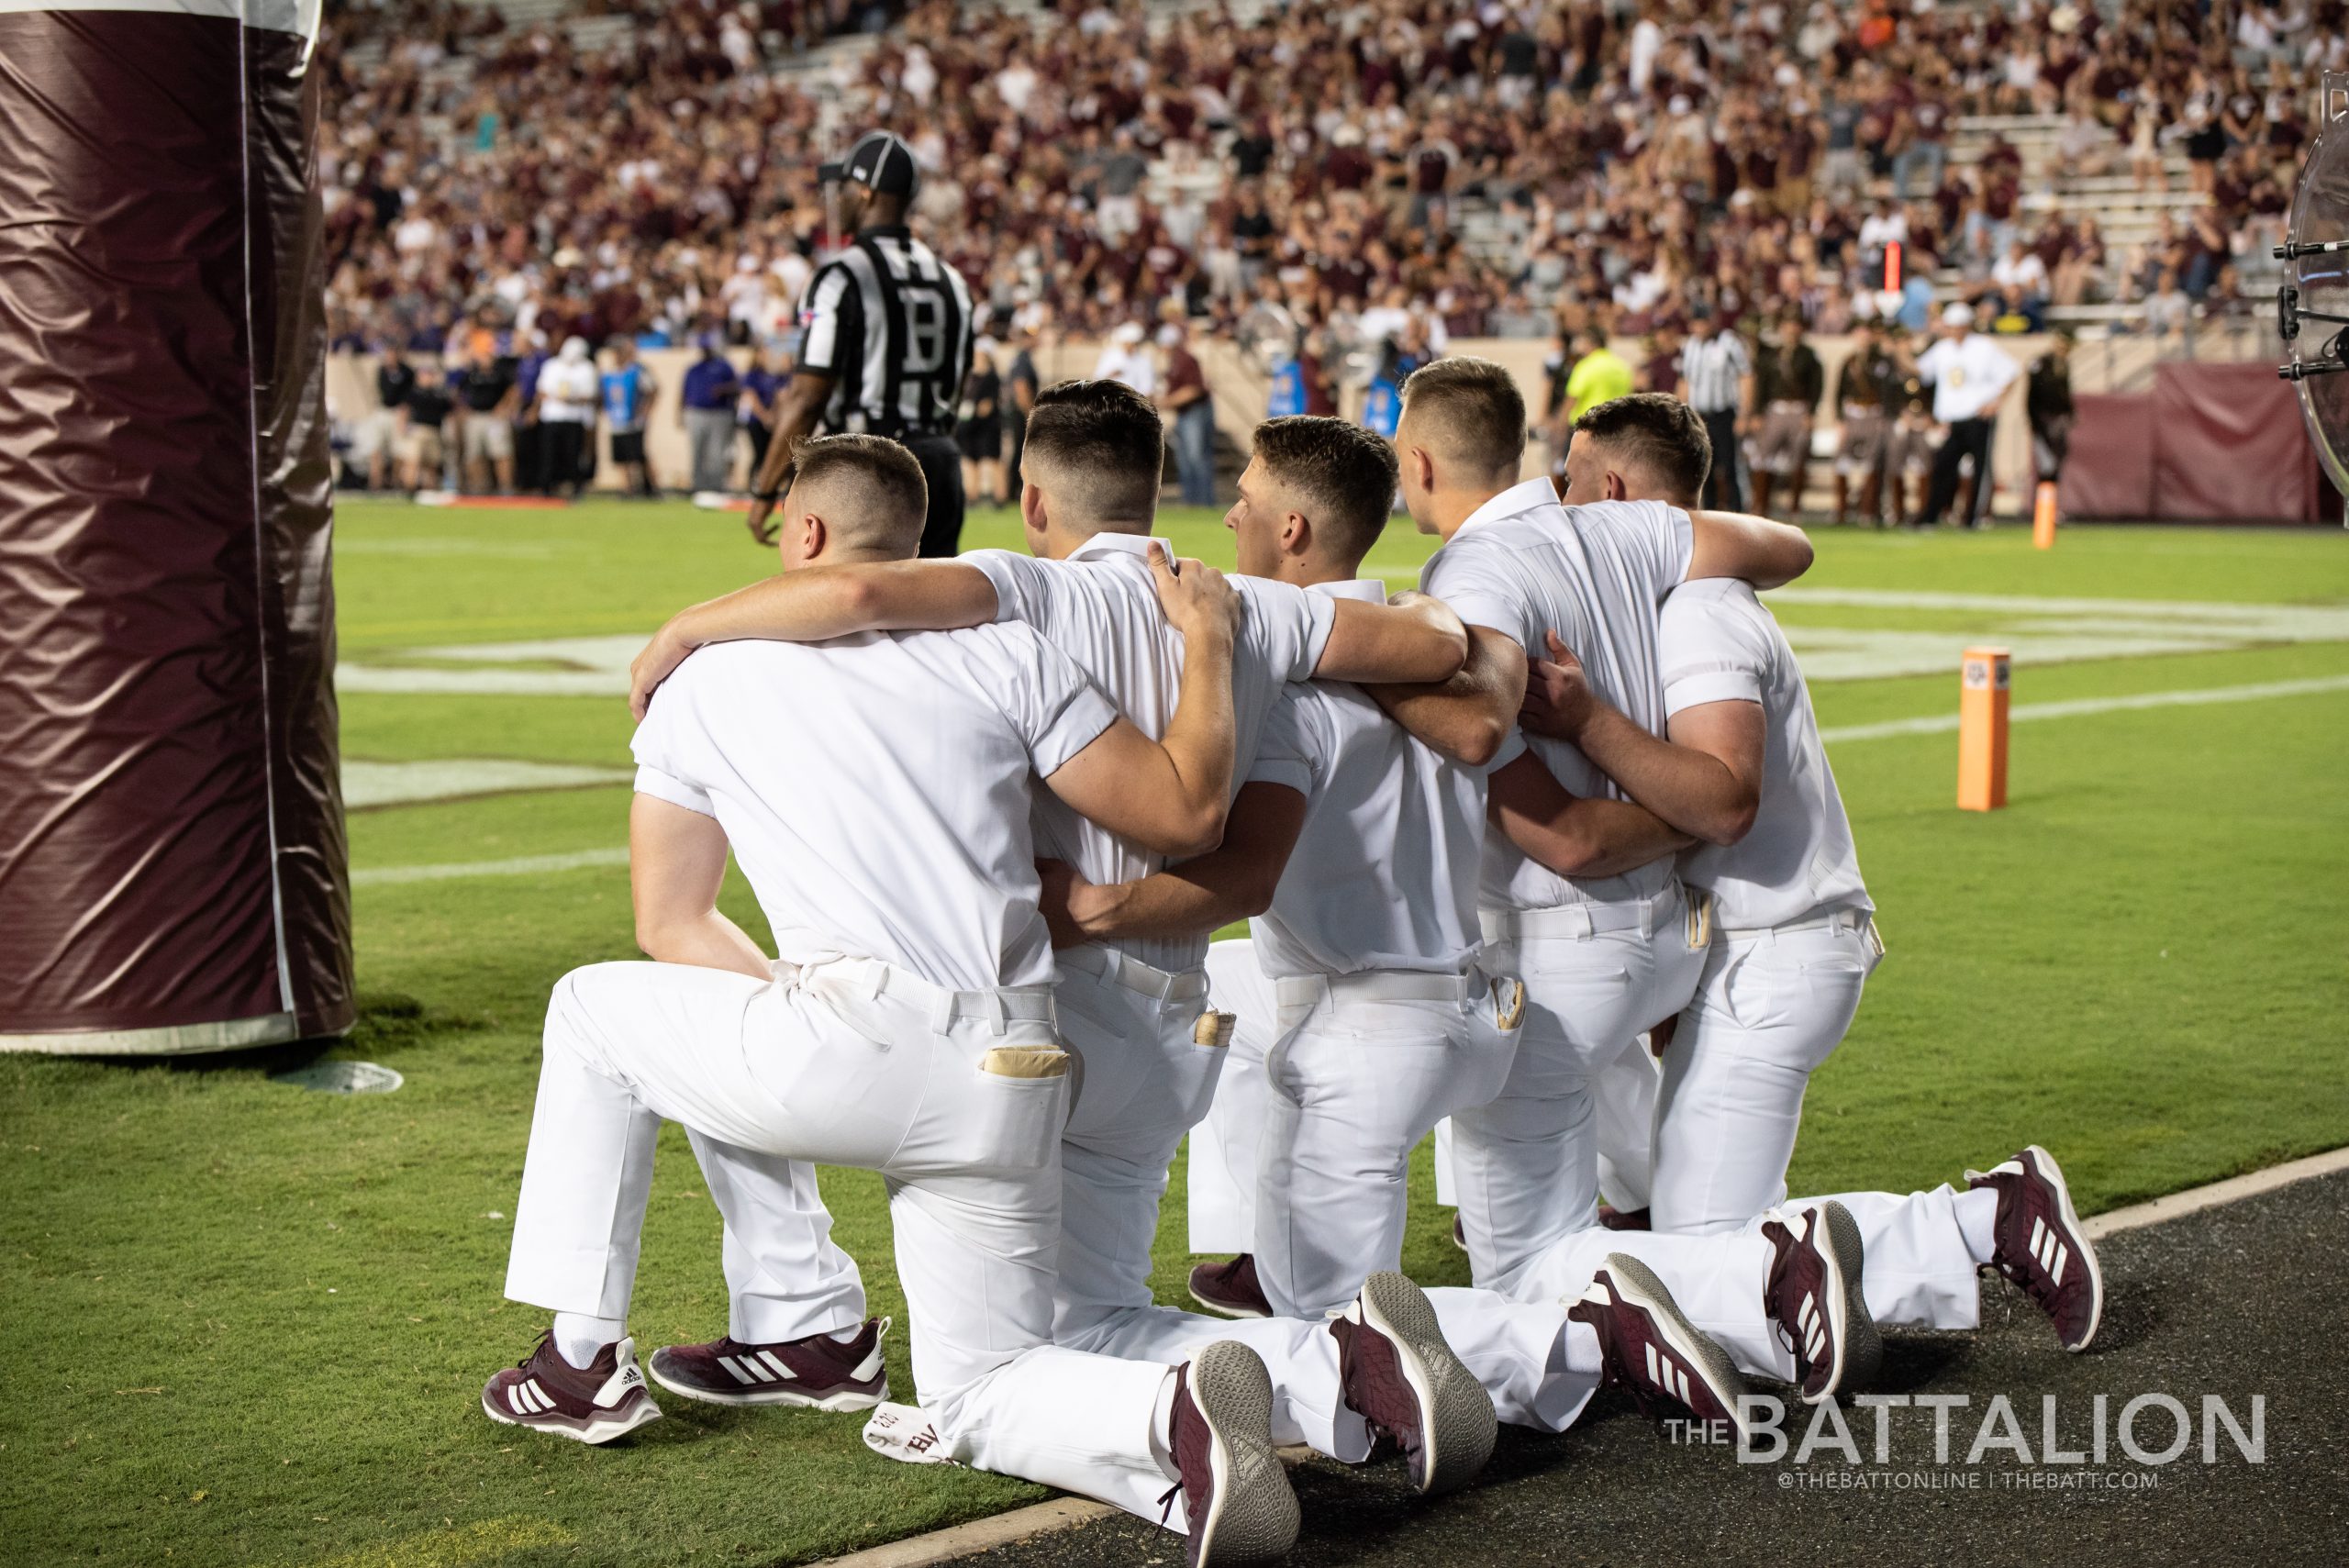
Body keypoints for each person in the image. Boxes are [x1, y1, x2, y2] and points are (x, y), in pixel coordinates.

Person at [491, 432, 1312, 1563]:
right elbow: (1177, 818)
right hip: (1020, 1061)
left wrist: (808, 1005)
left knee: (598, 1005)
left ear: (808, 537)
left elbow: (669, 925)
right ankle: (1225, 1403)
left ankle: (581, 1361)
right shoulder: (1009, 652)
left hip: (851, 1045)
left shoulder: (710, 676)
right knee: (987, 1379)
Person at [1517, 393, 2103, 1352]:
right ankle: (1672, 1249)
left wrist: (1584, 722)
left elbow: (1723, 800)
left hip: (1776, 948)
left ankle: (1988, 1217)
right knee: (1700, 1215)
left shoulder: (1697, 611)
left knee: (1713, 1243)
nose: (1556, 497)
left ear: (1612, 487)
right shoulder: (1686, 598)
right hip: (1756, 945)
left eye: (1569, 478)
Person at [1397, 359, 1875, 1406]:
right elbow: (1788, 543)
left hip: (1566, 936)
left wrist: (1374, 663)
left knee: (1525, 1253)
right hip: (1667, 936)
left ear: (1418, 459)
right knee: (1630, 1186)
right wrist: (1685, 822)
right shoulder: (1639, 535)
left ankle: (1923, 1232)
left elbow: (1535, 800)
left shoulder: (1471, 574)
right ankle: (1663, 1298)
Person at [742, 131, 974, 560]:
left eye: (846, 187)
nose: (838, 199)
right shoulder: (952, 280)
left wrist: (765, 488)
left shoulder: (841, 276)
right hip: (941, 459)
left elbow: (808, 396)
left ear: (865, 192)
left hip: (869, 466)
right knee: (935, 615)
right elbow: (958, 383)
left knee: (855, 611)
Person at [1915, 303, 2021, 529]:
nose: (1953, 331)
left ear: (1966, 326)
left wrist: (1996, 402)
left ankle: (1973, 518)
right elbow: (1920, 371)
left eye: (1957, 326)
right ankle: (1930, 516)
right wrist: (1898, 352)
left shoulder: (1984, 347)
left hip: (1978, 417)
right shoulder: (1942, 349)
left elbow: (2011, 372)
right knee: (1943, 467)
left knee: (1980, 470)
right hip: (1953, 421)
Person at [1746, 314, 1822, 519]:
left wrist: (1811, 412)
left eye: (1795, 324)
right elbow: (1762, 386)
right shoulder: (1771, 355)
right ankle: (1760, 504)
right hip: (1776, 409)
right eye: (1788, 324)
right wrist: (1757, 413)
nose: (1791, 329)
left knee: (1799, 458)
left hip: (1798, 409)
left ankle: (1794, 507)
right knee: (1764, 457)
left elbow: (1816, 386)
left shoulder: (1809, 355)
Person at [1675, 309, 1752, 510]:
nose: (1698, 328)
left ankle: (1738, 512)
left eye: (1702, 323)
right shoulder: (1690, 346)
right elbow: (1685, 380)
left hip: (1723, 414)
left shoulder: (1729, 343)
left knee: (1730, 467)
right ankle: (1709, 514)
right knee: (1703, 468)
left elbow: (1746, 376)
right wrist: (1681, 414)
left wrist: (1745, 413)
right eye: (1695, 323)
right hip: (1700, 416)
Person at [1829, 318, 1899, 527]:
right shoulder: (1849, 361)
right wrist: (1840, 420)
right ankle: (1841, 509)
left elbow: (1888, 390)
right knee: (1842, 461)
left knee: (1872, 462)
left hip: (1874, 414)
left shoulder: (1882, 361)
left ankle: (1867, 509)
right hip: (1853, 414)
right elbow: (1839, 392)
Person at [1160, 320, 1217, 508]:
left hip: (1195, 412)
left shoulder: (1185, 360)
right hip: (1186, 414)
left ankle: (1203, 501)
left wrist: (1165, 402)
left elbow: (1193, 389)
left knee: (1196, 457)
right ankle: (1191, 501)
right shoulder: (1177, 361)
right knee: (1185, 458)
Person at [537, 337, 600, 500]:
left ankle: (575, 486)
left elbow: (590, 395)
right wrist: (557, 397)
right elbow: (542, 391)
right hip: (552, 416)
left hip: (574, 417)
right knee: (549, 454)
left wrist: (572, 399)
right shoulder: (551, 365)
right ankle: (547, 486)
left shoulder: (587, 368)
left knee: (573, 455)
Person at [455, 339, 519, 495]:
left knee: (501, 453)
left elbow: (514, 390)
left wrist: (505, 407)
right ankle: (479, 487)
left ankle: (506, 487)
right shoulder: (471, 374)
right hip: (476, 417)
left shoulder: (500, 373)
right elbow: (457, 392)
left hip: (494, 418)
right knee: (474, 454)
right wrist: (463, 409)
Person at [681, 336, 742, 494]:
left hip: (719, 413)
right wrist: (681, 412)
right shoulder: (694, 368)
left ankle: (716, 485)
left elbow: (737, 385)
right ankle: (698, 485)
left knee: (717, 451)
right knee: (697, 450)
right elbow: (683, 392)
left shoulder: (723, 366)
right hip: (696, 413)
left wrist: (723, 389)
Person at [598, 339, 658, 498]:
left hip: (633, 420)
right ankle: (627, 488)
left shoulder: (637, 371)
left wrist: (644, 412)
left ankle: (651, 487)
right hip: (617, 421)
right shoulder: (610, 374)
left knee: (639, 455)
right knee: (621, 457)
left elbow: (652, 390)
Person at [958, 338, 1004, 506]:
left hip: (986, 426)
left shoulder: (991, 377)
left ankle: (999, 497)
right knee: (971, 461)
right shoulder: (971, 375)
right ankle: (972, 495)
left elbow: (987, 406)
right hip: (970, 426)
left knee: (993, 459)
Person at [396, 361, 455, 492]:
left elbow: (450, 414)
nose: (428, 378)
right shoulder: (413, 392)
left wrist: (451, 434)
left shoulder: (439, 394)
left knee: (432, 464)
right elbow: (404, 411)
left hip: (435, 431)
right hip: (417, 430)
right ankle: (409, 491)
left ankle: (429, 491)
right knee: (413, 461)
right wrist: (402, 429)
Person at [2027, 334, 2076, 485]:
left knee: (2058, 457)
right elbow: (2033, 393)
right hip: (2042, 417)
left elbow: (2065, 392)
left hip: (2058, 417)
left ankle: (2052, 498)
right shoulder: (2041, 363)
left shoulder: (2063, 364)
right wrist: (2033, 419)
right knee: (2046, 459)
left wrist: (2070, 412)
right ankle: (2044, 497)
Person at [739, 340, 790, 482]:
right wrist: (764, 416)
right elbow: (751, 397)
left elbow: (779, 396)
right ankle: (754, 483)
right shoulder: (752, 375)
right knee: (759, 452)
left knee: (770, 454)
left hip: (771, 420)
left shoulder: (773, 376)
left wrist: (772, 415)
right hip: (756, 420)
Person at [368, 346, 416, 491]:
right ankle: (376, 483)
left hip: (399, 413)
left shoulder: (407, 372)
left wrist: (404, 413)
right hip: (383, 411)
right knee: (376, 448)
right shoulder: (382, 370)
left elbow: (407, 395)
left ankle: (396, 483)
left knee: (398, 451)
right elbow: (383, 392)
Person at [1003, 326, 1040, 498]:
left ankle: (1012, 491)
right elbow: (1021, 387)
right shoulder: (1023, 359)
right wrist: (1030, 413)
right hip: (1020, 413)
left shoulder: (1019, 359)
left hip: (1015, 411)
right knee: (1021, 452)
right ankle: (1013, 492)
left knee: (1019, 451)